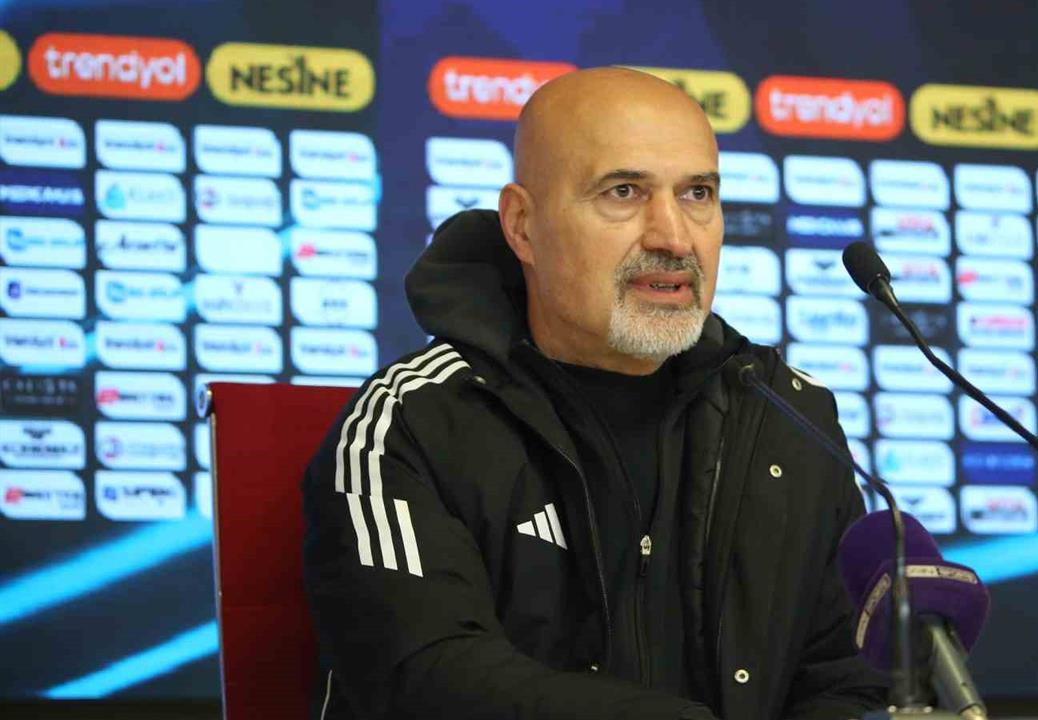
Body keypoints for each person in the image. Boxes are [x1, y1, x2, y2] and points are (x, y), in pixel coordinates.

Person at [301, 66, 887, 720]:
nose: (674, 236)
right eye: (624, 192)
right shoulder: (411, 421)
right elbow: (425, 677)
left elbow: (849, 680)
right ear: (523, 226)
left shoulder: (786, 416)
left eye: (697, 193)